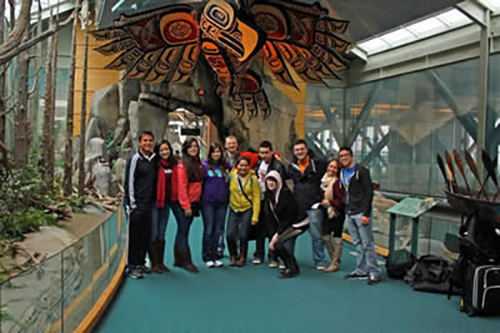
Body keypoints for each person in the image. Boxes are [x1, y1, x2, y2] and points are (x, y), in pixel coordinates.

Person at [338, 146, 381, 285]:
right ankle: (361, 270)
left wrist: (366, 213)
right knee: (357, 243)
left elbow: (369, 192)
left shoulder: (361, 171)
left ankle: (374, 272)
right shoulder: (342, 172)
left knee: (367, 243)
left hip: (361, 212)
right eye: (341, 156)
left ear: (351, 156)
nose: (343, 158)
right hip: (349, 212)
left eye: (345, 155)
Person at [287, 139, 328, 270]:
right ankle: (287, 258)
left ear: (307, 149)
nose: (300, 152)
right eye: (297, 150)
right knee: (291, 234)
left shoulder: (319, 164)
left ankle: (319, 261)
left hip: (314, 206)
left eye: (302, 149)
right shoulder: (292, 167)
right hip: (297, 206)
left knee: (317, 235)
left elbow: (331, 171)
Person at [265, 171, 310, 279]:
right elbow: (271, 218)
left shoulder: (285, 194)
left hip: (299, 223)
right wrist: (273, 235)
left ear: (279, 182)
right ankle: (291, 266)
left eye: (273, 181)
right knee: (278, 244)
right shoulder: (270, 196)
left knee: (278, 244)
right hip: (288, 224)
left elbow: (288, 217)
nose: (271, 183)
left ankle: (292, 268)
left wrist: (276, 235)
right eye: (269, 181)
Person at [124, 131, 156, 279]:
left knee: (145, 236)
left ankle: (141, 262)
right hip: (136, 205)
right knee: (134, 236)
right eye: (145, 141)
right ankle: (131, 266)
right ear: (140, 142)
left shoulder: (152, 160)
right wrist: (132, 203)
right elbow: (129, 181)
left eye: (150, 141)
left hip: (148, 205)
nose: (148, 143)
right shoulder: (135, 159)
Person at [171, 138, 203, 273]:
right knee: (183, 230)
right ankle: (186, 260)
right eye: (191, 147)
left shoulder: (197, 163)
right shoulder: (182, 165)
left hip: (194, 201)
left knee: (183, 230)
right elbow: (182, 187)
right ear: (186, 149)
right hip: (183, 203)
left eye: (195, 146)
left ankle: (178, 259)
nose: (193, 149)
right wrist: (186, 206)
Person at [253, 140, 287, 266]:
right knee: (259, 229)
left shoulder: (278, 166)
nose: (264, 155)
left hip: (271, 201)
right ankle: (258, 254)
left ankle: (273, 256)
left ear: (272, 152)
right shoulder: (258, 163)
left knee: (272, 228)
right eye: (261, 153)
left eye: (266, 153)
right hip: (259, 199)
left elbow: (280, 184)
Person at [227, 156, 260, 267]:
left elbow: (256, 198)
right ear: (237, 166)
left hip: (247, 208)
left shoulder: (253, 179)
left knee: (243, 235)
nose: (243, 168)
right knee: (230, 234)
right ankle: (233, 255)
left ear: (249, 167)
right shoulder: (232, 175)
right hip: (234, 207)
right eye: (241, 165)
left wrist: (255, 217)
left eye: (246, 165)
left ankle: (242, 256)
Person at [149, 140, 176, 273]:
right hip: (154, 203)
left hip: (166, 203)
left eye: (166, 149)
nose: (165, 152)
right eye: (162, 150)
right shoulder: (154, 165)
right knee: (153, 233)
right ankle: (154, 263)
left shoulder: (173, 164)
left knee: (161, 233)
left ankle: (161, 262)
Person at [201, 142, 229, 268]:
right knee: (209, 229)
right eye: (214, 152)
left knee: (218, 230)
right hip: (208, 202)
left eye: (218, 151)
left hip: (222, 202)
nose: (216, 154)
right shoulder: (205, 166)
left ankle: (215, 255)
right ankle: (207, 256)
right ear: (210, 153)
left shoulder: (225, 166)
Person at [320, 159, 345, 272]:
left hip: (336, 212)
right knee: (325, 236)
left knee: (337, 236)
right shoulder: (323, 180)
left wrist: (330, 203)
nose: (331, 169)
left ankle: (334, 263)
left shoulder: (337, 183)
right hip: (326, 212)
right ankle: (335, 259)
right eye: (330, 166)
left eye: (335, 168)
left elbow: (342, 200)